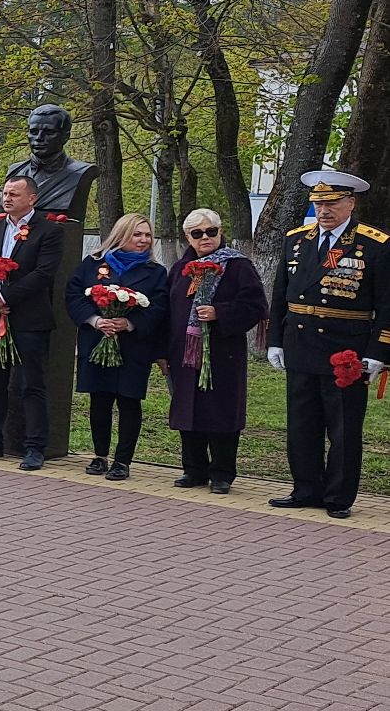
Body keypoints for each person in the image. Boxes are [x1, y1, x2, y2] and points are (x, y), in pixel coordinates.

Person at [267, 170, 390, 519]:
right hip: (301, 343)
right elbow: (280, 294)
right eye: (319, 203)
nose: (324, 210)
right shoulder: (297, 239)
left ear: (350, 203)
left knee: (343, 428)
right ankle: (305, 488)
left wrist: (377, 352)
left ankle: (338, 497)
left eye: (332, 203)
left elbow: (386, 305)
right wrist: (276, 340)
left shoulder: (374, 244)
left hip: (345, 350)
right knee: (302, 423)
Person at [164, 208, 268, 494]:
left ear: (221, 232)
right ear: (188, 237)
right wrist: (162, 350)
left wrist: (220, 313)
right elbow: (167, 310)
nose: (205, 238)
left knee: (220, 410)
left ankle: (222, 472)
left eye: (211, 231)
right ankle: (193, 468)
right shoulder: (180, 269)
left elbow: (256, 306)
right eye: (197, 234)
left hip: (223, 353)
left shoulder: (237, 266)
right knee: (188, 408)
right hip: (185, 353)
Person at [0, 174, 64, 470]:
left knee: (30, 384)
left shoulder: (48, 231)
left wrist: (7, 297)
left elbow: (44, 274)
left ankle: (35, 446)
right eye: (5, 193)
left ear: (31, 198)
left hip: (28, 319)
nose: (7, 199)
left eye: (14, 194)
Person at [65, 213, 168, 482]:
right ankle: (100, 455)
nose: (144, 240)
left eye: (147, 235)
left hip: (133, 346)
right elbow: (74, 294)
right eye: (137, 234)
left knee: (128, 401)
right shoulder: (94, 263)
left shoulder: (155, 272)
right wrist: (96, 320)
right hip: (97, 339)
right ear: (122, 235)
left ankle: (122, 461)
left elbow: (160, 308)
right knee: (100, 400)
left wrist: (129, 323)